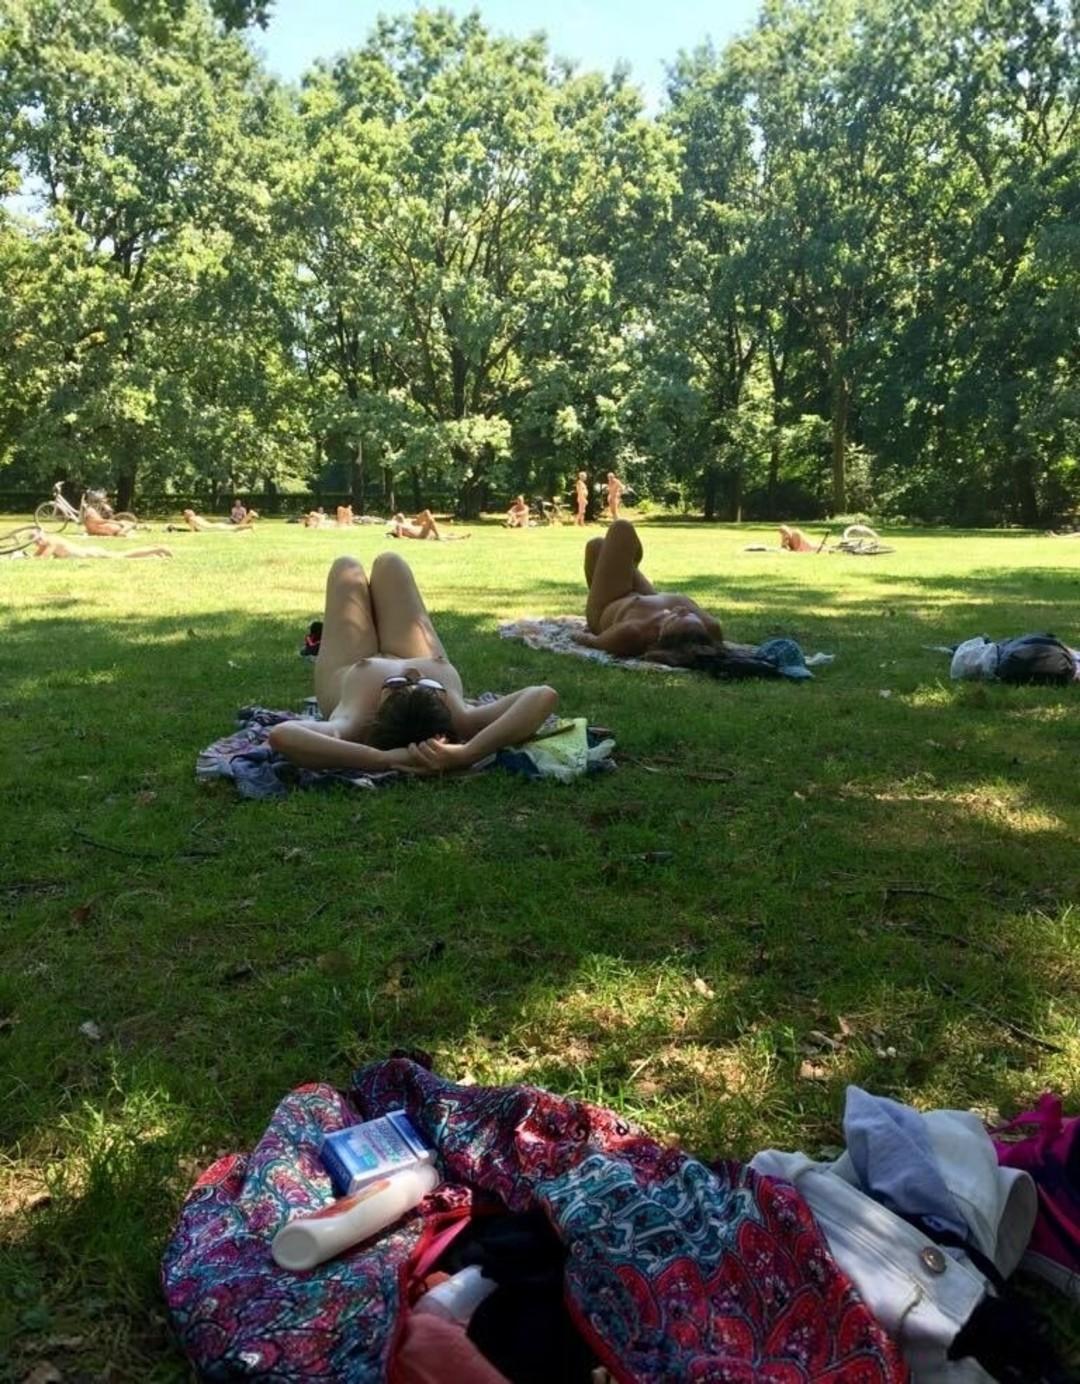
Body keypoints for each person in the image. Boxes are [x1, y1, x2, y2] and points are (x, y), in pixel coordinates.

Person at [268, 552, 557, 775]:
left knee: (346, 568)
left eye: (396, 684)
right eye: (429, 685)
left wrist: (379, 759)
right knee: (390, 564)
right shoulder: (463, 719)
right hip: (412, 647)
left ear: (376, 715)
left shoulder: (353, 723)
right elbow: (543, 695)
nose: (412, 671)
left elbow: (283, 735)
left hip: (350, 666)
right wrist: (468, 751)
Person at [573, 519, 725, 664]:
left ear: (661, 635)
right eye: (690, 614)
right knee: (605, 546)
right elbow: (711, 636)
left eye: (677, 617)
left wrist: (581, 635)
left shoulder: (632, 632)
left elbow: (591, 641)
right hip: (646, 597)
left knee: (607, 538)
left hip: (609, 604)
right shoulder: (708, 628)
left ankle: (630, 562)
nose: (682, 609)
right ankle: (629, 565)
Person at [33, 533, 172, 559]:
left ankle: (159, 549)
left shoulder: (51, 541)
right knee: (123, 555)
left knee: (123, 555)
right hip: (90, 552)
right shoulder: (48, 541)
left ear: (43, 535)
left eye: (39, 539)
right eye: (35, 542)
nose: (38, 543)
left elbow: (41, 559)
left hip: (92, 554)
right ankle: (154, 551)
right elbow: (37, 555)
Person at [387, 510, 471, 542]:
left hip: (422, 531)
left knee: (427, 512)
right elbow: (400, 536)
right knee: (430, 521)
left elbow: (418, 521)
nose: (400, 514)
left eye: (401, 513)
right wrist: (407, 538)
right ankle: (439, 537)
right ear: (396, 518)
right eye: (397, 515)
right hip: (419, 535)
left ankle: (459, 537)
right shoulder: (399, 525)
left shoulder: (409, 521)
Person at [183, 508, 255, 532]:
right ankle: (249, 522)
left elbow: (192, 532)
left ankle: (249, 522)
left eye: (185, 515)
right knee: (236, 528)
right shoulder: (197, 517)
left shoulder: (191, 519)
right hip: (215, 526)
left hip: (213, 528)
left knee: (236, 528)